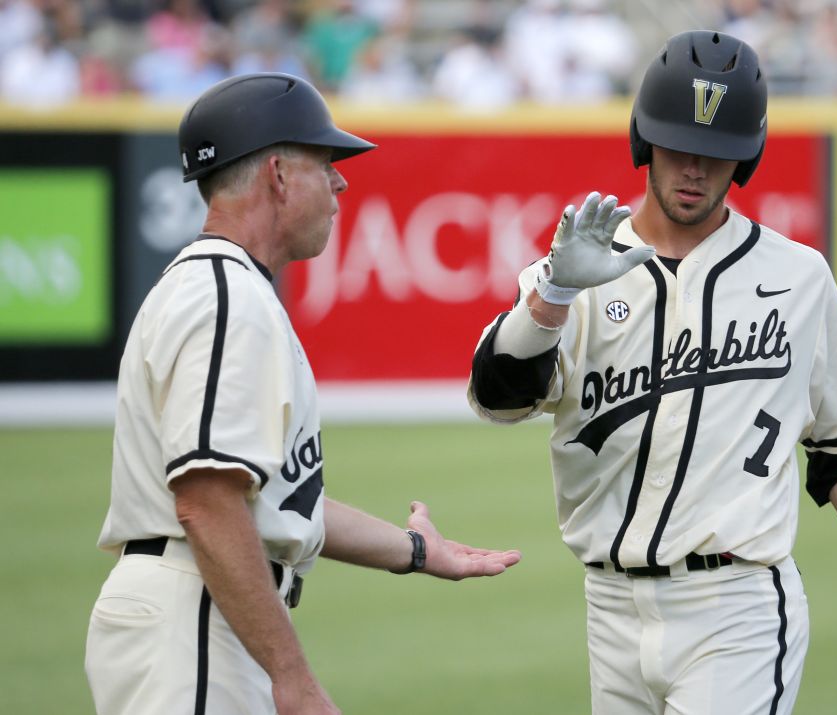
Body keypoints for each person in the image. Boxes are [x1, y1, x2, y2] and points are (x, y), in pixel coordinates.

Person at [468, 31, 837, 715]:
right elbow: (498, 397)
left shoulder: (798, 277)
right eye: (678, 146)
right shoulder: (575, 269)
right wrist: (552, 295)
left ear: (746, 157)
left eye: (717, 152)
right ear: (645, 140)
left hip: (738, 608)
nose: (695, 169)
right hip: (609, 608)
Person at [85, 72, 521, 715]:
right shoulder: (226, 298)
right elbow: (207, 502)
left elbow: (270, 502)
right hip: (195, 616)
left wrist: (416, 551)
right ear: (280, 175)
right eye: (325, 163)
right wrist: (293, 677)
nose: (341, 184)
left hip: (204, 607)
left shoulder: (223, 288)